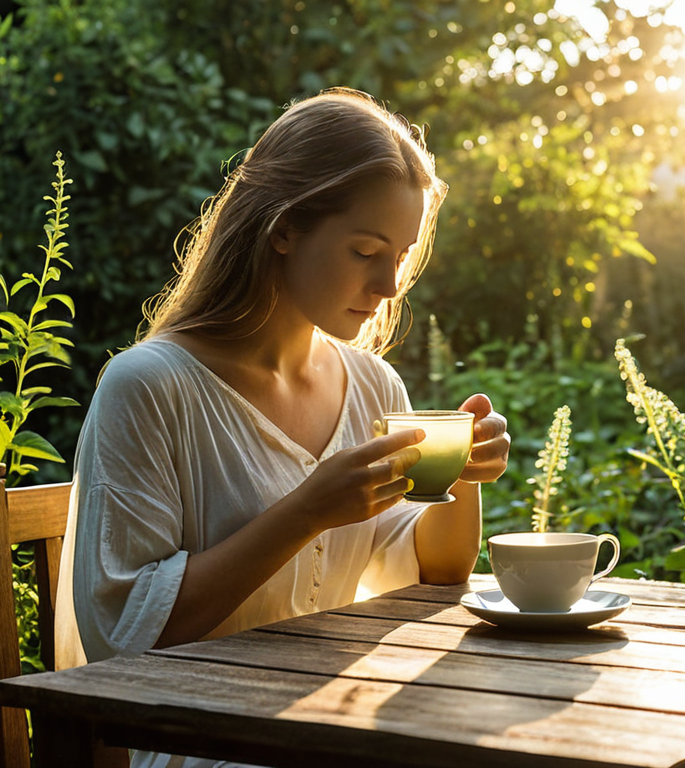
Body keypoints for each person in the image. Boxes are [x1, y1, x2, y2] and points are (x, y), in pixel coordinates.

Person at [53, 87, 511, 768]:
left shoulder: (373, 387)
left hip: (333, 726)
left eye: (403, 255)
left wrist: (464, 476)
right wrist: (307, 511)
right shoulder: (150, 388)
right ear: (285, 228)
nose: (390, 285)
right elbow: (123, 632)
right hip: (206, 747)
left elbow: (438, 571)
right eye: (365, 250)